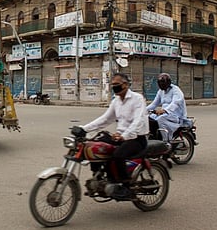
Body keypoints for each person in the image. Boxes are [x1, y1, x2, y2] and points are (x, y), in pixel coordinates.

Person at [72, 72, 149, 200]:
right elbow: (105, 119)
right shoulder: (116, 101)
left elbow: (138, 121)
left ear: (125, 85)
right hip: (119, 137)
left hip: (136, 139)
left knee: (118, 155)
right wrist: (84, 129)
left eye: (116, 84)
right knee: (94, 145)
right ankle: (101, 178)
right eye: (112, 85)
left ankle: (126, 187)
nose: (114, 87)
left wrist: (124, 135)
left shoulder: (137, 99)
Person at [146, 73, 188, 143]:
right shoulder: (160, 91)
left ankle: (165, 141)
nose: (161, 85)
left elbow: (175, 103)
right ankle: (154, 137)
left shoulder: (176, 90)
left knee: (160, 119)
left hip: (175, 115)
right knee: (149, 118)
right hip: (164, 114)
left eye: (163, 83)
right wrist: (143, 110)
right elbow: (154, 104)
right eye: (160, 83)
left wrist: (165, 110)